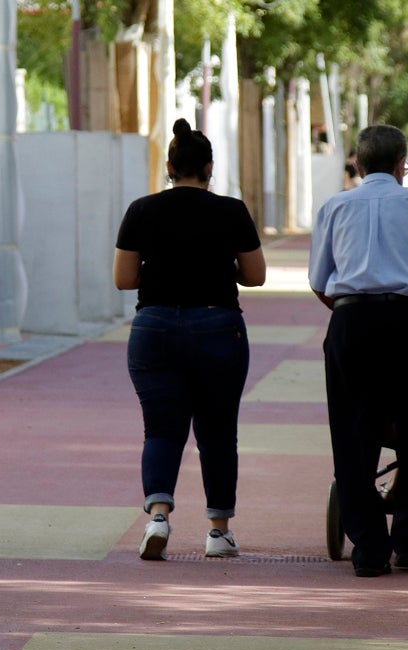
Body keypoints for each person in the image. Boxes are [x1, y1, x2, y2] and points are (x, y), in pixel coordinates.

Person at [309, 124, 408, 577]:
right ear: (402, 166)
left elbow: (320, 283)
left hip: (351, 323)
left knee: (353, 433)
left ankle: (369, 551)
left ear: (357, 165)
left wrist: (349, 311)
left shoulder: (334, 207)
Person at [114, 118, 267, 561]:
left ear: (169, 167)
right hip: (218, 326)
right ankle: (218, 533)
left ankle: (158, 517)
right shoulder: (231, 211)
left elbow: (124, 279)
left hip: (154, 328)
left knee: (161, 429)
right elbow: (255, 276)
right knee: (217, 432)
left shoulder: (141, 210)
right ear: (209, 168)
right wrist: (222, 269)